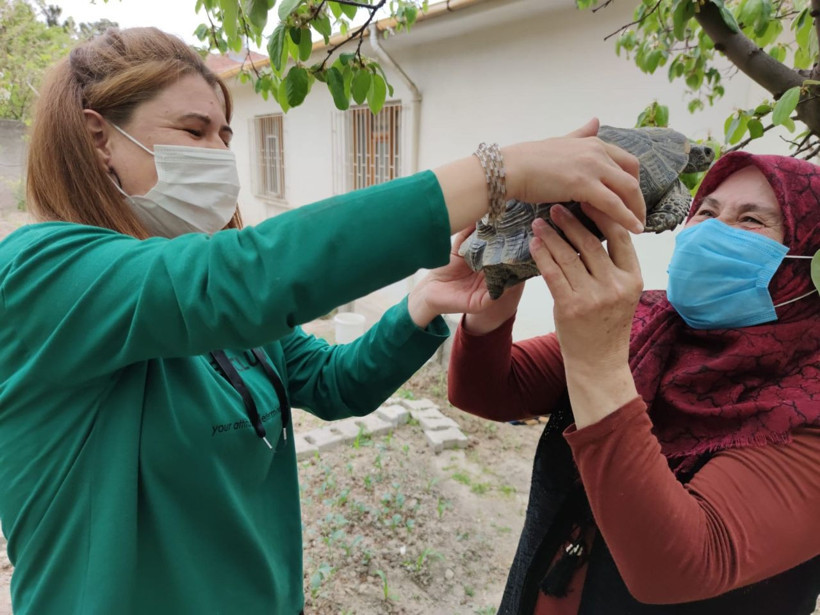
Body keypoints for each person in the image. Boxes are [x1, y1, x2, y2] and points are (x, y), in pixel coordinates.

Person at [0, 27, 647, 615]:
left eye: (225, 135)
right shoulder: (41, 275)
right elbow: (244, 278)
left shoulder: (211, 301)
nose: (219, 156)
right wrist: (496, 173)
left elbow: (335, 383)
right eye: (194, 132)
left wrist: (424, 302)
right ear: (97, 137)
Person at [446, 150, 820, 614]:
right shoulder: (650, 320)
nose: (711, 230)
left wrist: (599, 363)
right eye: (705, 211)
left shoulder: (808, 404)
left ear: (808, 261)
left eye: (750, 221)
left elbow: (680, 564)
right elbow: (488, 390)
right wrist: (495, 296)